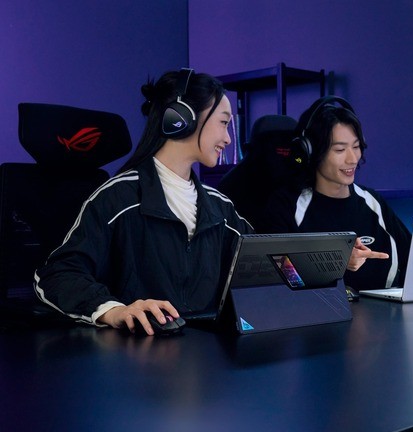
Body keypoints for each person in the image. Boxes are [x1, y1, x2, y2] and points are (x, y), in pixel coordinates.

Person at [34, 68, 253, 335]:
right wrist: (114, 310)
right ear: (183, 118)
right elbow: (57, 275)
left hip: (205, 352)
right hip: (138, 352)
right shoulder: (118, 198)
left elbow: (264, 267)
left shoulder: (221, 209)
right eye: (223, 122)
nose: (228, 138)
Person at [261, 96, 412, 291]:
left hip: (385, 310)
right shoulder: (286, 206)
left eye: (356, 147)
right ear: (311, 152)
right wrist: (336, 263)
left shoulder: (374, 203)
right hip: (316, 311)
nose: (352, 159)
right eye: (340, 149)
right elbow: (276, 273)